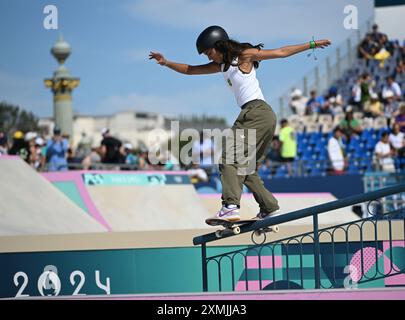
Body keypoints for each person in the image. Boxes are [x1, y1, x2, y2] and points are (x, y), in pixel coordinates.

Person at [149, 26, 331, 221]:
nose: (209, 58)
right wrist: (166, 62)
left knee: (229, 157)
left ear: (219, 46)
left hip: (256, 113)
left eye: (210, 53)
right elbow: (190, 70)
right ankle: (269, 207)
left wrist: (311, 44)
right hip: (260, 115)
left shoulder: (244, 56)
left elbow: (281, 52)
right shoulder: (221, 66)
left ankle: (230, 206)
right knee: (247, 168)